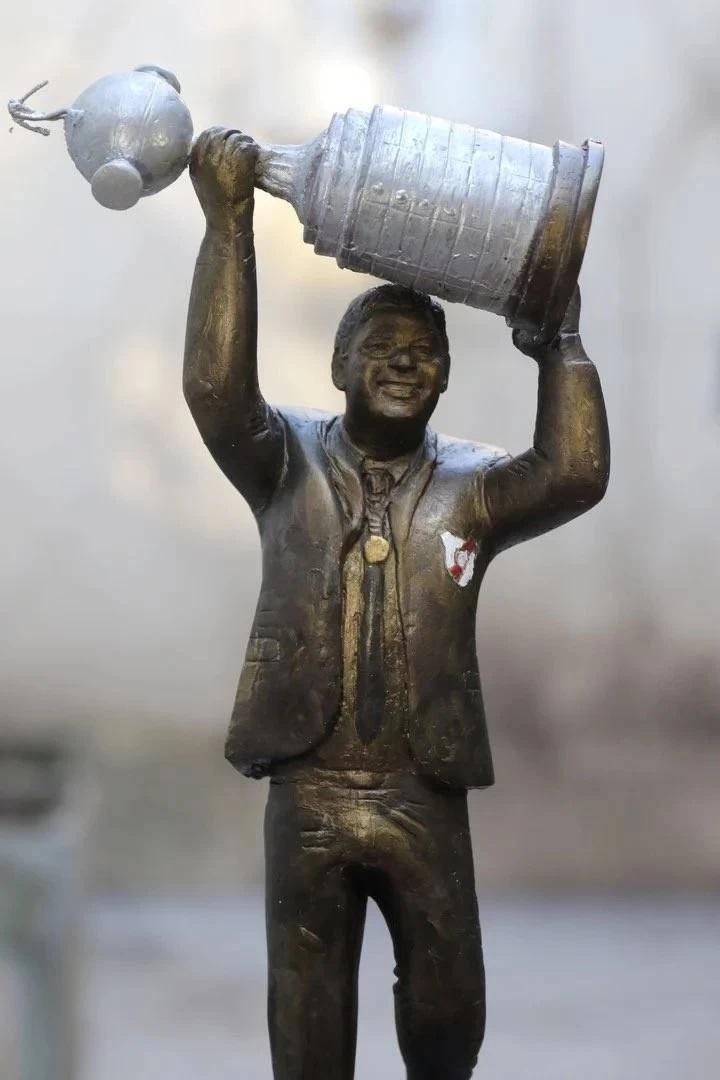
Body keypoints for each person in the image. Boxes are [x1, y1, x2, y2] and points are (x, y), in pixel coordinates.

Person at [183, 127, 610, 1080]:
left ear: (449, 376)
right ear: (339, 366)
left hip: (424, 787)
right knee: (307, 1009)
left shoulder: (472, 486)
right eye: (381, 346)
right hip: (311, 783)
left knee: (450, 1003)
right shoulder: (283, 457)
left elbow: (575, 472)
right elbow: (216, 387)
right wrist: (229, 227)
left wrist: (561, 344)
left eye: (425, 353)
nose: (406, 364)